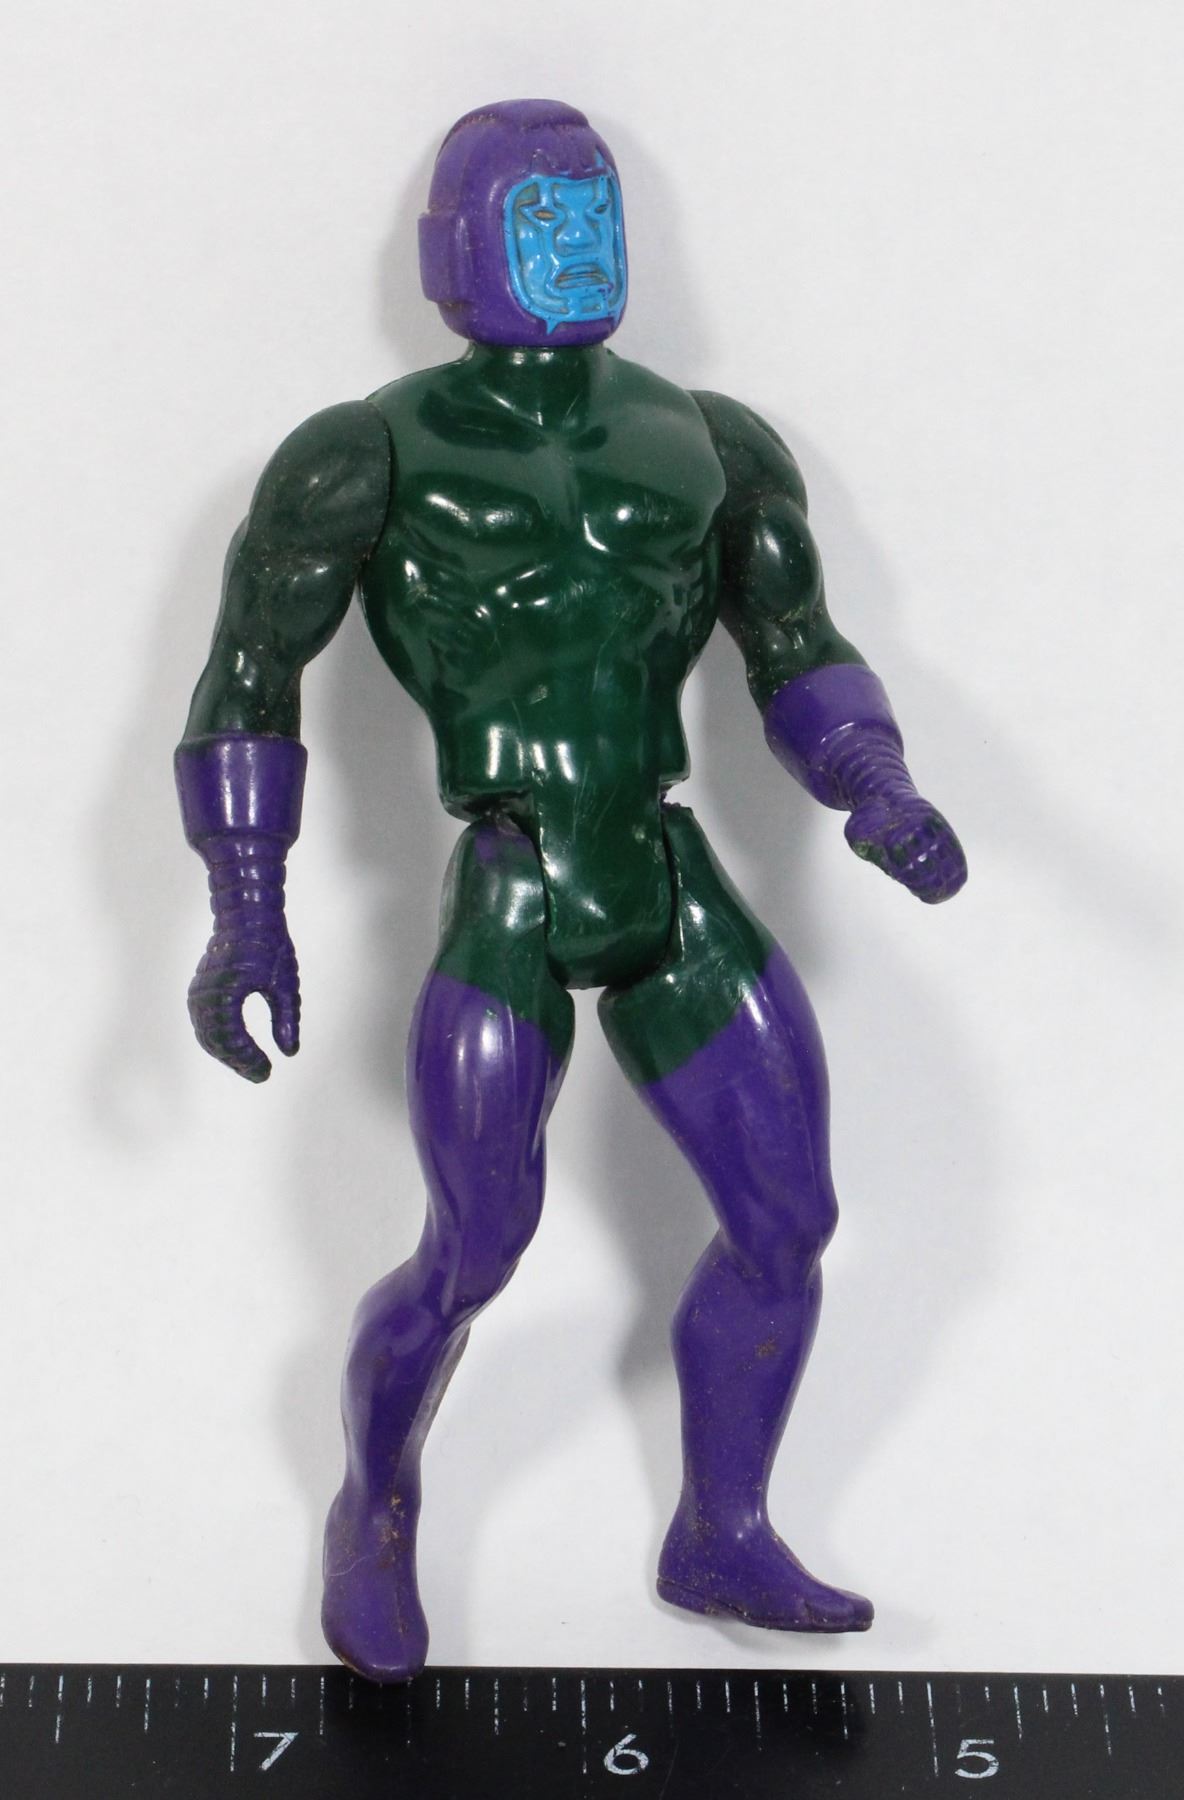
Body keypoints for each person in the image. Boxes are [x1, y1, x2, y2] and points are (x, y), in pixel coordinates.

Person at [176, 99, 967, 1682]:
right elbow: (251, 673)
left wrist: (875, 780)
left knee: (789, 1218)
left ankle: (721, 1529)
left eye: (592, 213)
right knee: (473, 1249)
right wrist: (245, 904)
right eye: (539, 219)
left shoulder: (711, 439)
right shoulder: (368, 452)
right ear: (457, 250)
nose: (575, 246)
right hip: (512, 883)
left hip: (662, 866)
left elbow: (797, 649)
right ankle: (375, 1507)